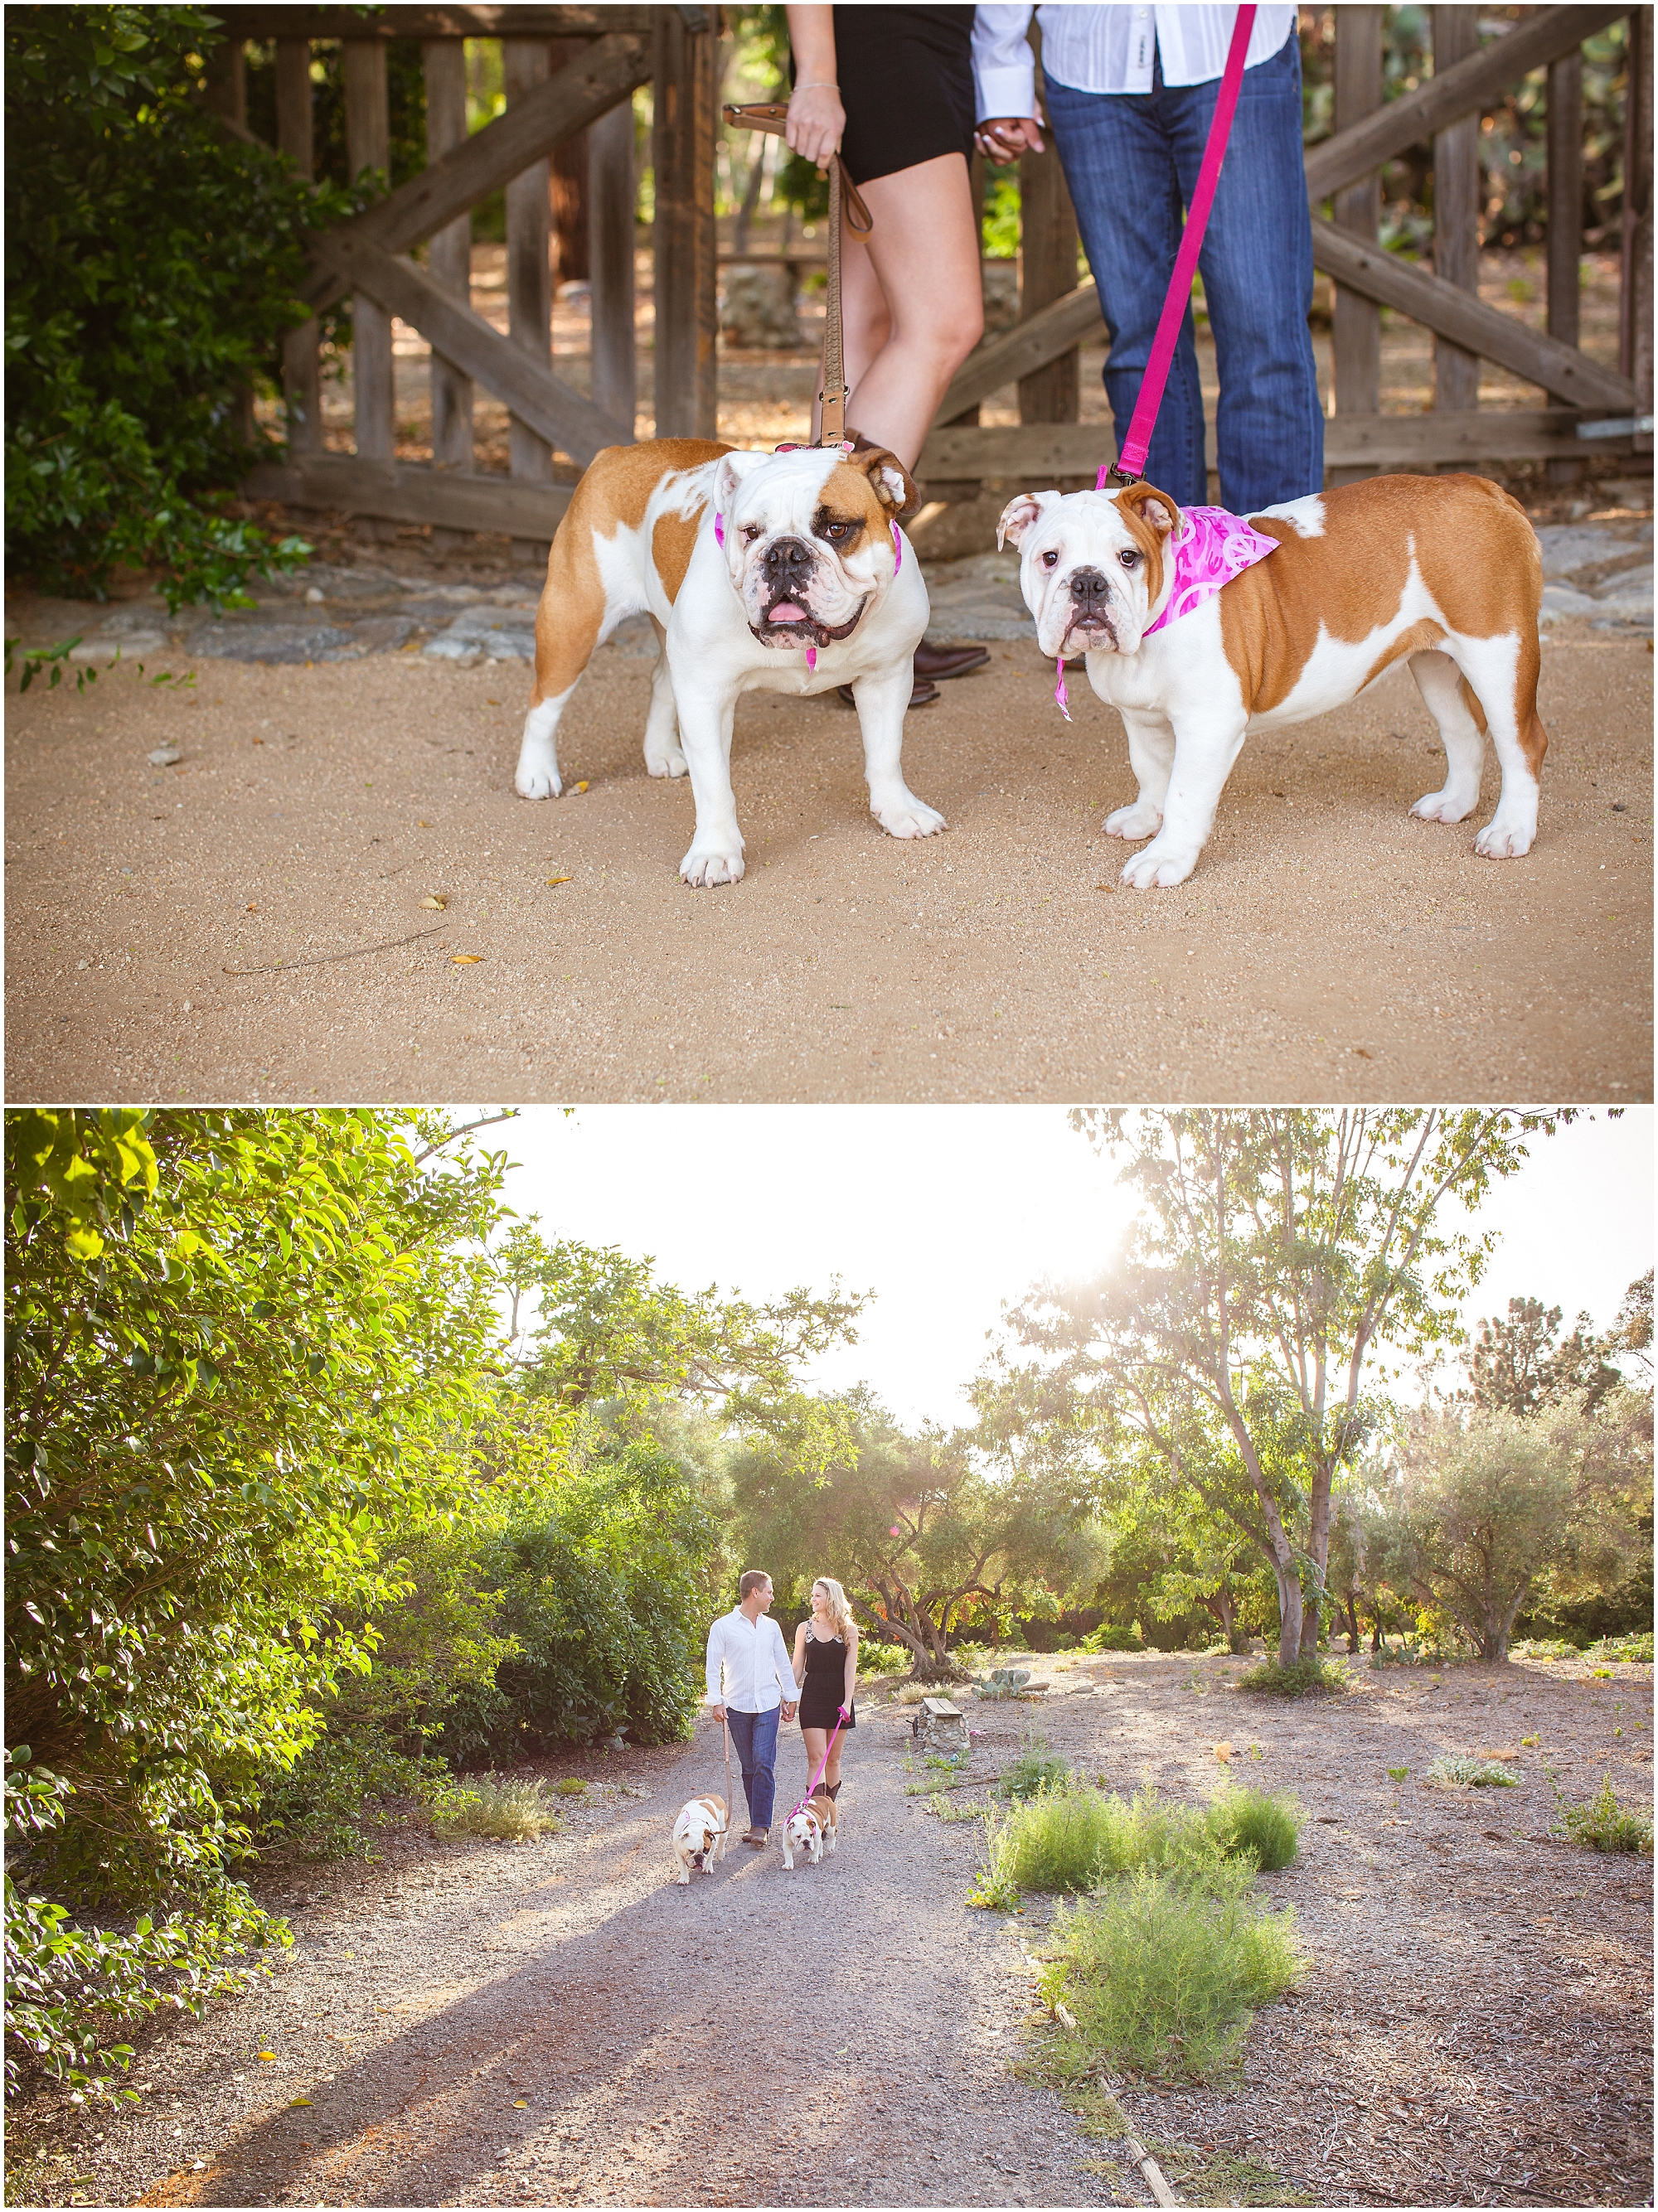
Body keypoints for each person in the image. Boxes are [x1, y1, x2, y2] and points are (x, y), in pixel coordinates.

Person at [971, 5, 1323, 514]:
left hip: (1235, 47)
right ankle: (1167, 573)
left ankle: (1278, 569)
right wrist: (1000, 67)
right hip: (1090, 58)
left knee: (1262, 329)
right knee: (1141, 338)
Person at [784, 4, 992, 704]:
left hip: (929, 41)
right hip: (884, 37)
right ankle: (840, 605)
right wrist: (816, 73)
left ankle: (812, 601)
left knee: (867, 325)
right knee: (945, 321)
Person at [705, 1568, 798, 1847]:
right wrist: (716, 1701)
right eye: (769, 1591)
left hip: (769, 1704)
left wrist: (790, 1696)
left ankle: (761, 1826)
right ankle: (755, 1820)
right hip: (737, 1706)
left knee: (762, 1761)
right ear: (755, 1592)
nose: (772, 1597)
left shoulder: (772, 1627)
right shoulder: (722, 1626)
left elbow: (783, 1663)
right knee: (749, 1766)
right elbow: (712, 1668)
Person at [790, 1576, 858, 1800]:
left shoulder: (848, 1630)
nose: (812, 1599)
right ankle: (814, 1813)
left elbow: (850, 1670)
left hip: (840, 1697)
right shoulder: (804, 1628)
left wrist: (847, 1702)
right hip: (813, 1696)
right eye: (812, 1595)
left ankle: (829, 1813)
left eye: (817, 1595)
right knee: (816, 1757)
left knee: (833, 1759)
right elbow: (797, 1667)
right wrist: (789, 1697)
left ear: (831, 1598)